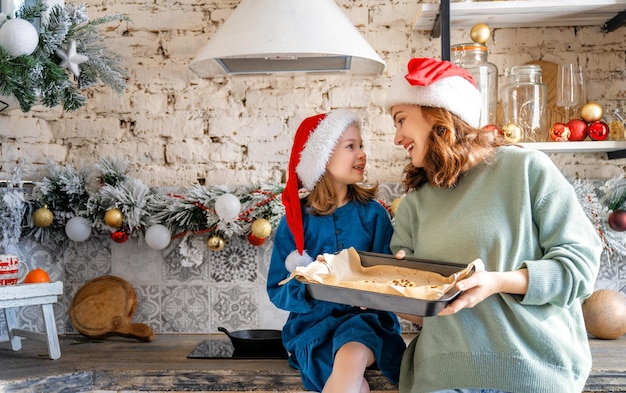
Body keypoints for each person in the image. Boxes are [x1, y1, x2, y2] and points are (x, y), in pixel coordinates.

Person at [384, 57, 602, 393]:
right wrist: (389, 293)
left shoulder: (527, 170)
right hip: (442, 377)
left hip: (531, 373)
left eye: (400, 121)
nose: (397, 137)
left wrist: (497, 282)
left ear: (437, 112)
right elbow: (426, 313)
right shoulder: (416, 203)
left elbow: (580, 270)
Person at [267, 109, 406, 393]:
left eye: (361, 145)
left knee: (351, 355)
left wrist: (377, 290)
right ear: (323, 157)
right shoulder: (295, 222)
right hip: (312, 328)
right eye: (350, 146)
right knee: (353, 382)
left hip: (365, 323)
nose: (362, 154)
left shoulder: (374, 215)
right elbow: (277, 288)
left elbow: (386, 276)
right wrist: (311, 282)